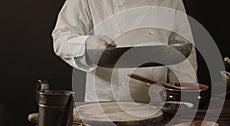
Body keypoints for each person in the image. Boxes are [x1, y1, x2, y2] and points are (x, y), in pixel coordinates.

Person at [52, 0, 198, 103]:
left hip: (156, 103)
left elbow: (182, 52)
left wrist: (188, 98)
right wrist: (87, 43)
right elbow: (61, 40)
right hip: (105, 104)